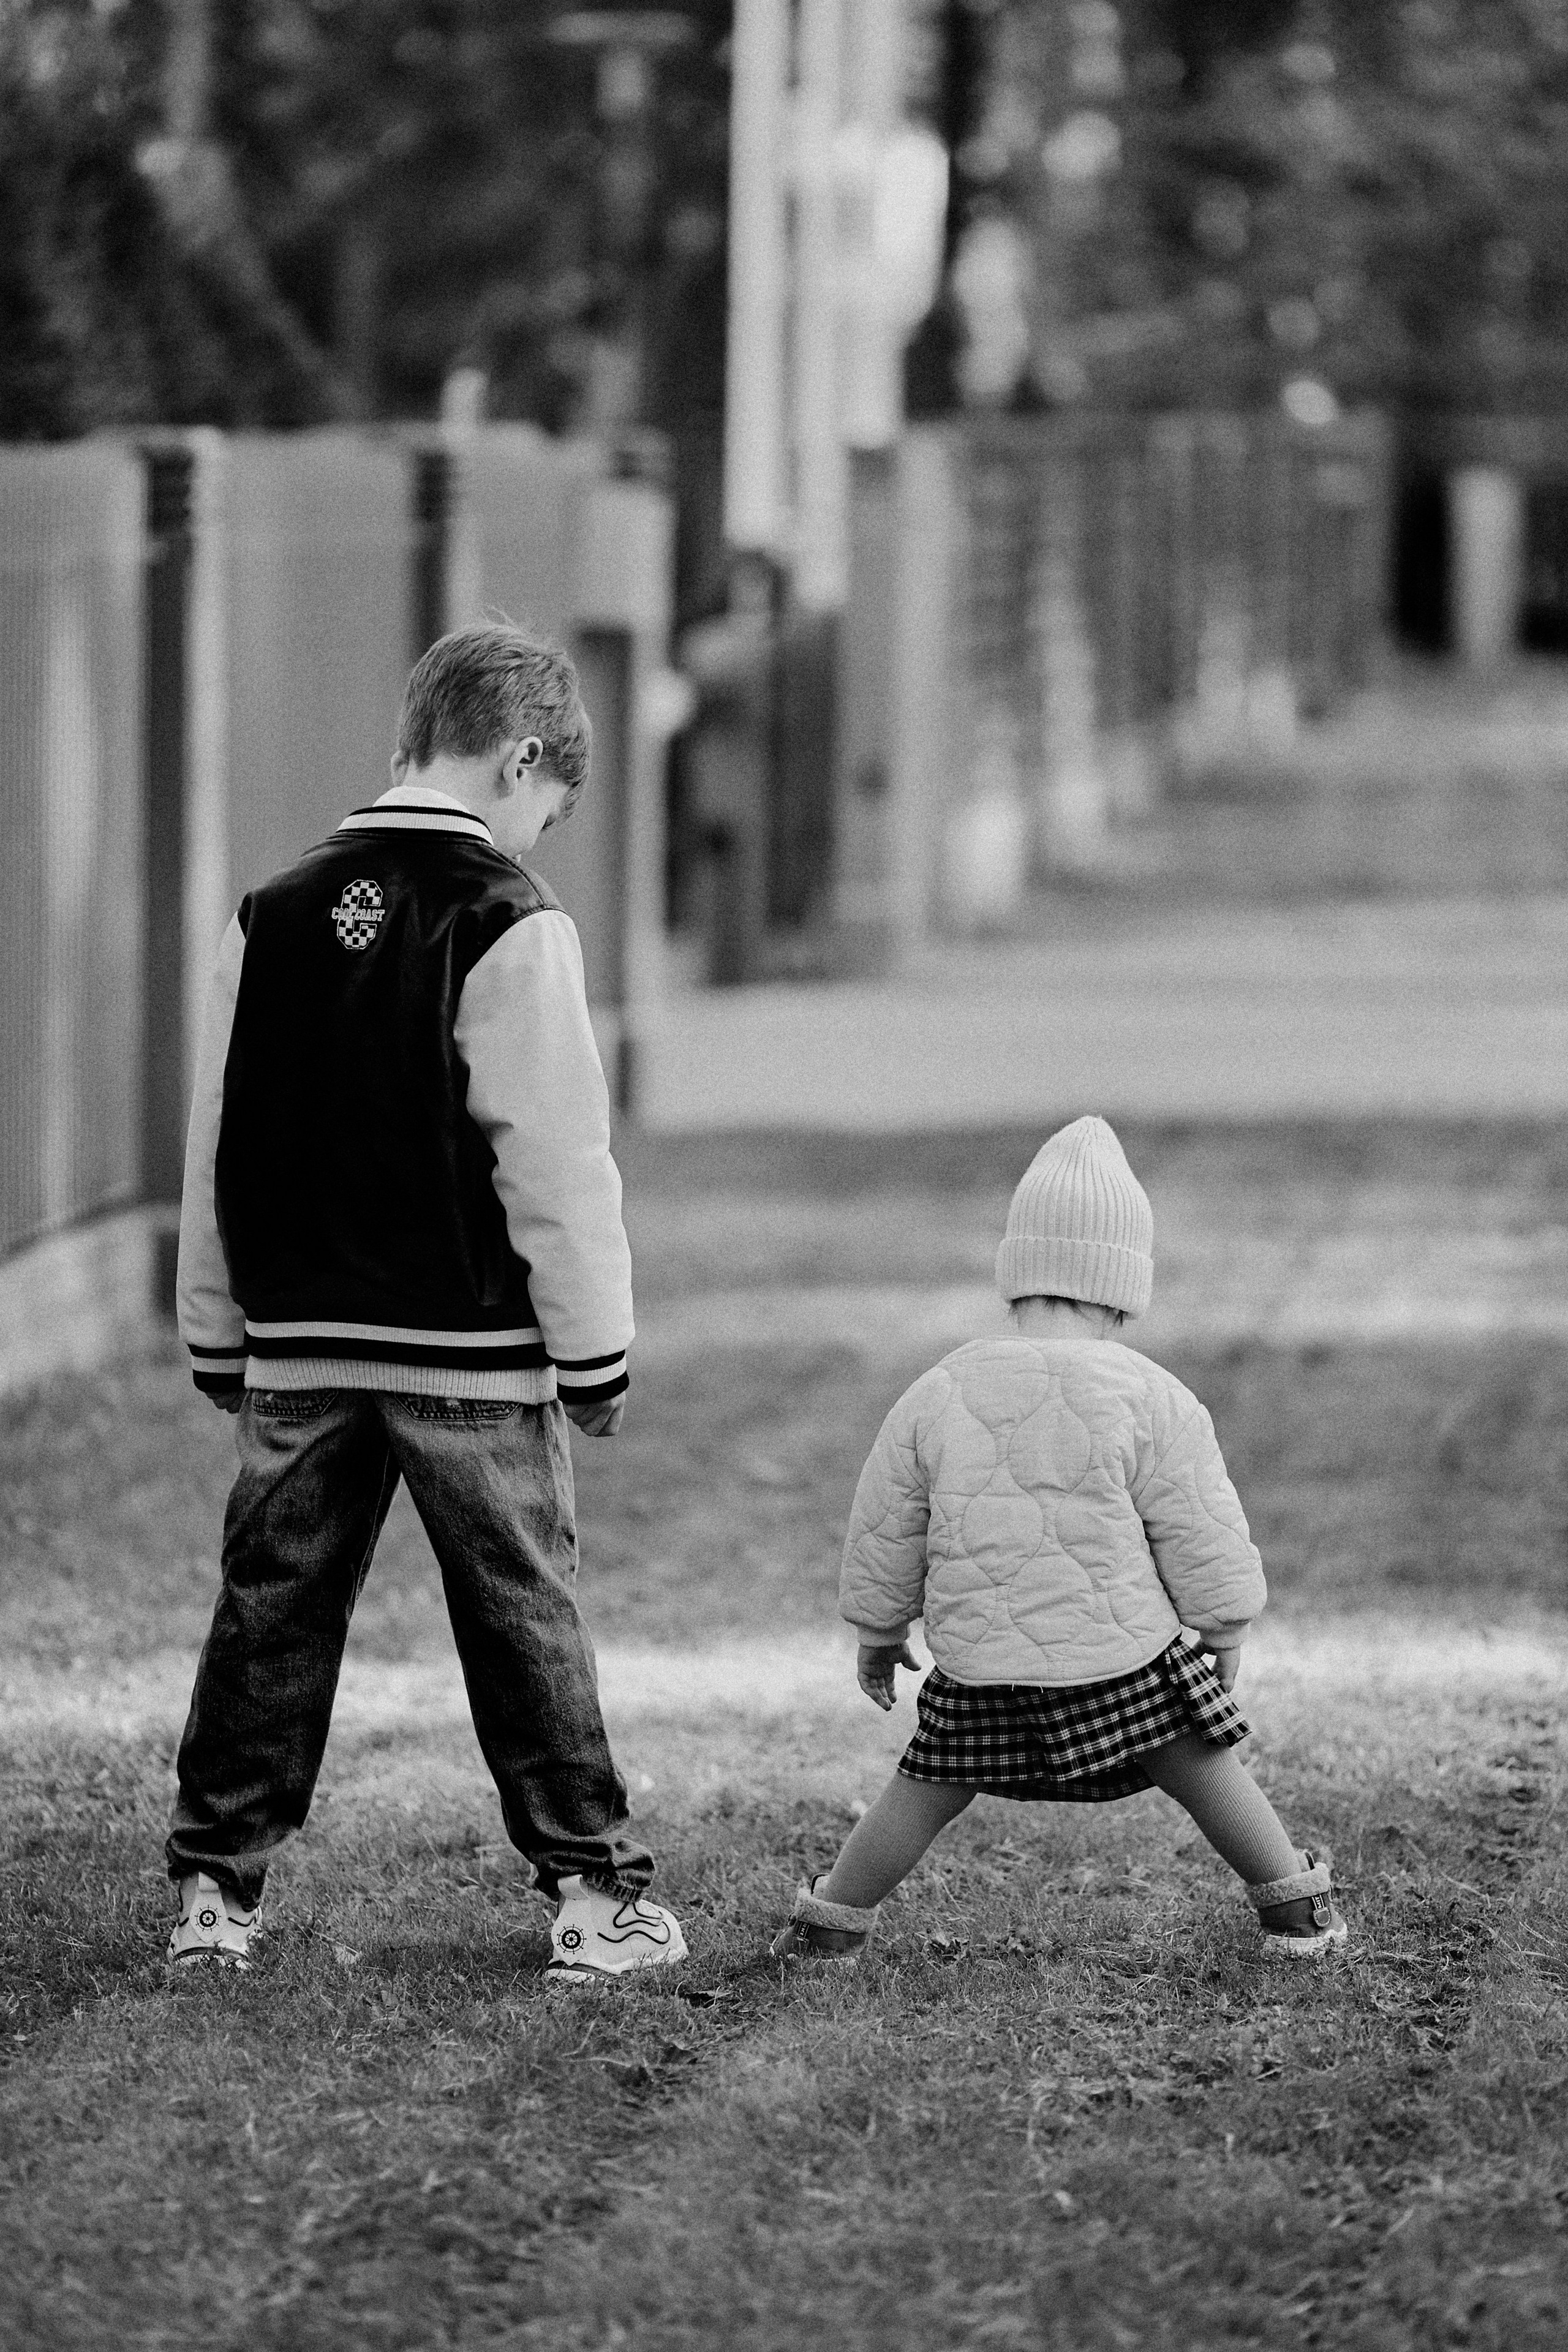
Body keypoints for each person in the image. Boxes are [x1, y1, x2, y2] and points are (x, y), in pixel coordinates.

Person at [167, 625, 684, 1986]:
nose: (541, 841)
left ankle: (216, 1896)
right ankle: (590, 1893)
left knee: (269, 1609)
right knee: (520, 1612)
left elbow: (222, 1137)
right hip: (471, 1346)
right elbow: (556, 1157)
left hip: (298, 1344)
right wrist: (596, 1348)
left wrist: (213, 1322)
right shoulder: (508, 917)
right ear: (521, 758)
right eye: (548, 811)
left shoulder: (270, 913)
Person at [772, 1115, 1346, 1964]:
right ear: (1121, 1288)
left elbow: (887, 1521)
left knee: (925, 1788)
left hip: (979, 1662)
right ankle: (1298, 1920)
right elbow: (1199, 1520)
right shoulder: (1152, 1396)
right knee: (1201, 1762)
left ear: (1019, 1278)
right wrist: (1224, 1627)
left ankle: (828, 1928)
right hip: (1122, 1656)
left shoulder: (940, 1390)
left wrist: (880, 1628)